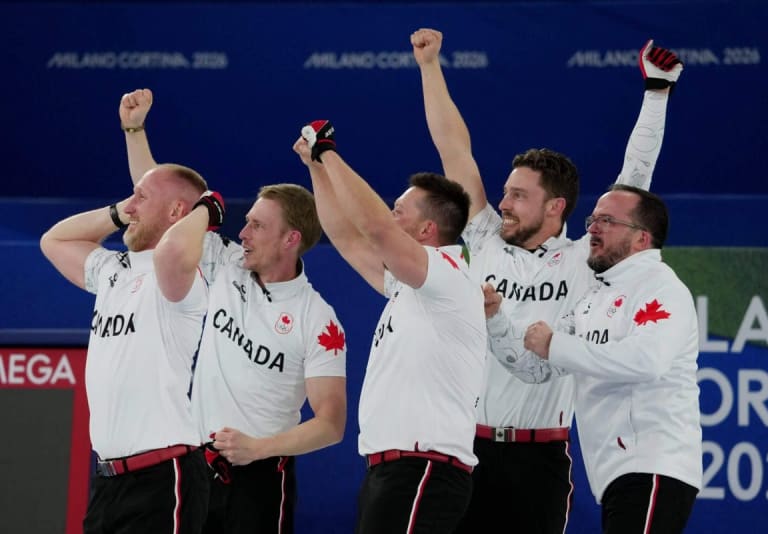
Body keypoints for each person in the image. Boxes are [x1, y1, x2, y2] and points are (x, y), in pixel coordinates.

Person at [411, 27, 683, 533]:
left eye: (518, 195)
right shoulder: (484, 235)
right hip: (463, 449)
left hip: (541, 458)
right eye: (506, 192)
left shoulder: (584, 260)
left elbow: (636, 176)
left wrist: (656, 93)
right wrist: (430, 68)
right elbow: (454, 149)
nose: (504, 203)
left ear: (555, 207)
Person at [120, 89, 348, 534]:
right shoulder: (225, 265)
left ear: (290, 239)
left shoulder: (318, 318)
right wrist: (134, 130)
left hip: (262, 475)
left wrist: (259, 448)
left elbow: (331, 423)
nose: (242, 232)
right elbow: (162, 202)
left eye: (257, 226)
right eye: (245, 222)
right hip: (192, 467)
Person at [294, 121, 486, 534]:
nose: (389, 215)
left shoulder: (448, 274)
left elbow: (374, 227)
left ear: (427, 230)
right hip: (393, 468)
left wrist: (328, 151)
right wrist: (316, 168)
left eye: (399, 210)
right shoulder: (411, 284)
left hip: (423, 468)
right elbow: (346, 236)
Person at [515, 184, 702, 533]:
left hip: (652, 464)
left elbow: (647, 361)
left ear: (641, 239)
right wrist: (497, 320)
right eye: (592, 219)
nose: (592, 228)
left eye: (607, 220)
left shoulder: (660, 287)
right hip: (617, 473)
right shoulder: (594, 297)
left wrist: (555, 345)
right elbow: (541, 364)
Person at [40, 163, 211, 533]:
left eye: (141, 197)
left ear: (177, 212)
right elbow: (53, 240)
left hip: (163, 475)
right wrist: (119, 212)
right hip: (108, 479)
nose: (129, 206)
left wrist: (206, 212)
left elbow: (173, 252)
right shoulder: (112, 270)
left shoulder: (180, 277)